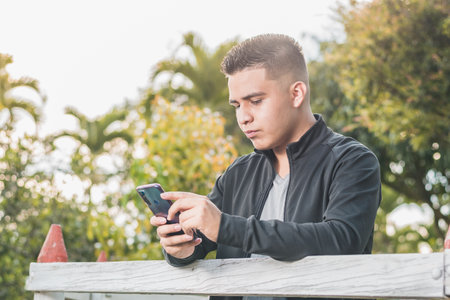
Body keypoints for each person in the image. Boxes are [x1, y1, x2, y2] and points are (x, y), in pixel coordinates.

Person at [150, 34, 381, 300]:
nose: (244, 117)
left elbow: (342, 241)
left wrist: (226, 227)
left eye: (256, 101)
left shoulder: (352, 161)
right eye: (237, 105)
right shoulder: (237, 174)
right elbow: (201, 244)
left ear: (296, 93)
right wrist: (180, 248)